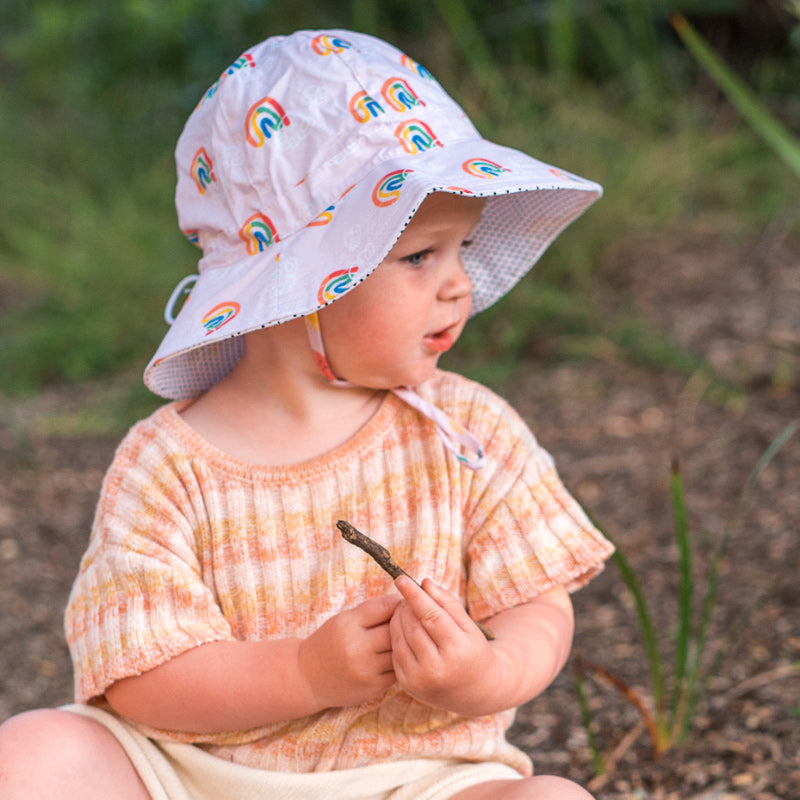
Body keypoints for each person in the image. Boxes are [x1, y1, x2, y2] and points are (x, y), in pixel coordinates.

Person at [0, 28, 614, 800]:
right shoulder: (169, 465)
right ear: (299, 283)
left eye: (461, 248)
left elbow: (537, 607)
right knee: (33, 753)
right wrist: (304, 672)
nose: (459, 283)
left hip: (414, 781)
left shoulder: (468, 433)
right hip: (196, 777)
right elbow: (138, 679)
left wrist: (488, 673)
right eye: (419, 256)